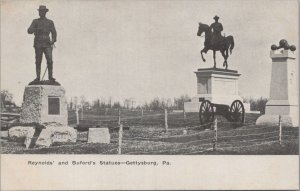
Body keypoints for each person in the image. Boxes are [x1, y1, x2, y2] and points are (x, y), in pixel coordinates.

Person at [28, 5, 57, 82]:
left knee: (50, 60)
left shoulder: (50, 22)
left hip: (47, 44)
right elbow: (29, 31)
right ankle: (38, 77)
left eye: (42, 11)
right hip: (38, 43)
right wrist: (35, 29)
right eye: (39, 11)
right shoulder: (35, 21)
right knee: (38, 60)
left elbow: (54, 33)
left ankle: (50, 77)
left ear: (45, 12)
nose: (40, 13)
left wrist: (53, 40)